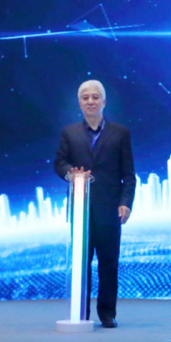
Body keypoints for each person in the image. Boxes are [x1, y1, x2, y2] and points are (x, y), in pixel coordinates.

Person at [54, 80, 135, 329]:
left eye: (95, 97)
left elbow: (128, 173)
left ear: (104, 102)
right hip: (81, 208)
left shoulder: (120, 133)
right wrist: (71, 173)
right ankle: (81, 312)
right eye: (86, 97)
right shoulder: (69, 133)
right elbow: (60, 163)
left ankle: (107, 314)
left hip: (110, 209)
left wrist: (126, 202)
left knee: (109, 264)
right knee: (81, 264)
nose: (90, 101)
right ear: (80, 103)